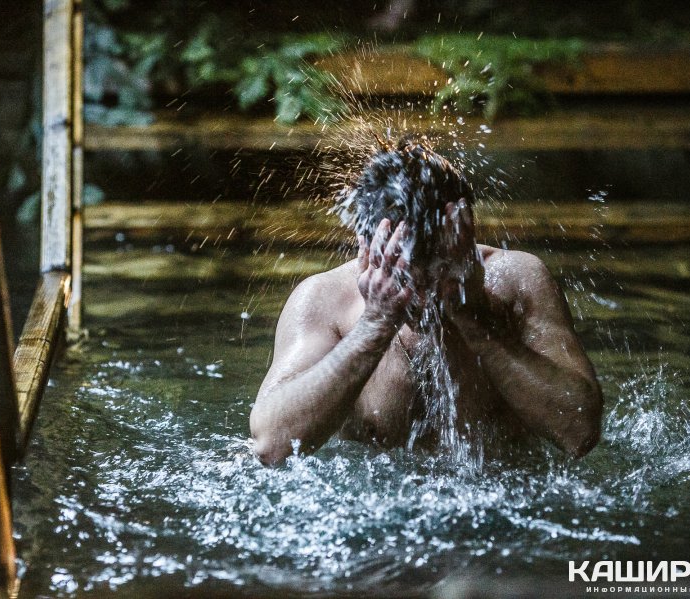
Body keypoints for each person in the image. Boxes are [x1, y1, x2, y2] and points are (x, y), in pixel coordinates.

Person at [250, 136, 602, 466]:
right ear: (366, 244)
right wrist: (373, 326)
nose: (421, 296)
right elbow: (270, 444)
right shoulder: (325, 300)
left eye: (436, 271)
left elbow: (580, 432)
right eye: (402, 274)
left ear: (463, 237)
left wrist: (474, 318)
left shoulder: (516, 280)